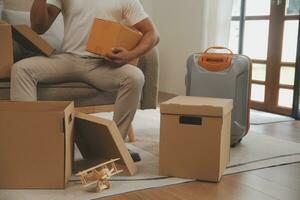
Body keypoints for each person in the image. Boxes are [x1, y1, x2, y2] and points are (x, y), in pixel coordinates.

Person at [10, 0, 160, 162]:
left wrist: (129, 55)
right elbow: (38, 27)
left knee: (135, 77)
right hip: (68, 59)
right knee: (21, 69)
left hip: (102, 64)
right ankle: (28, 143)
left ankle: (115, 144)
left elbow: (152, 34)